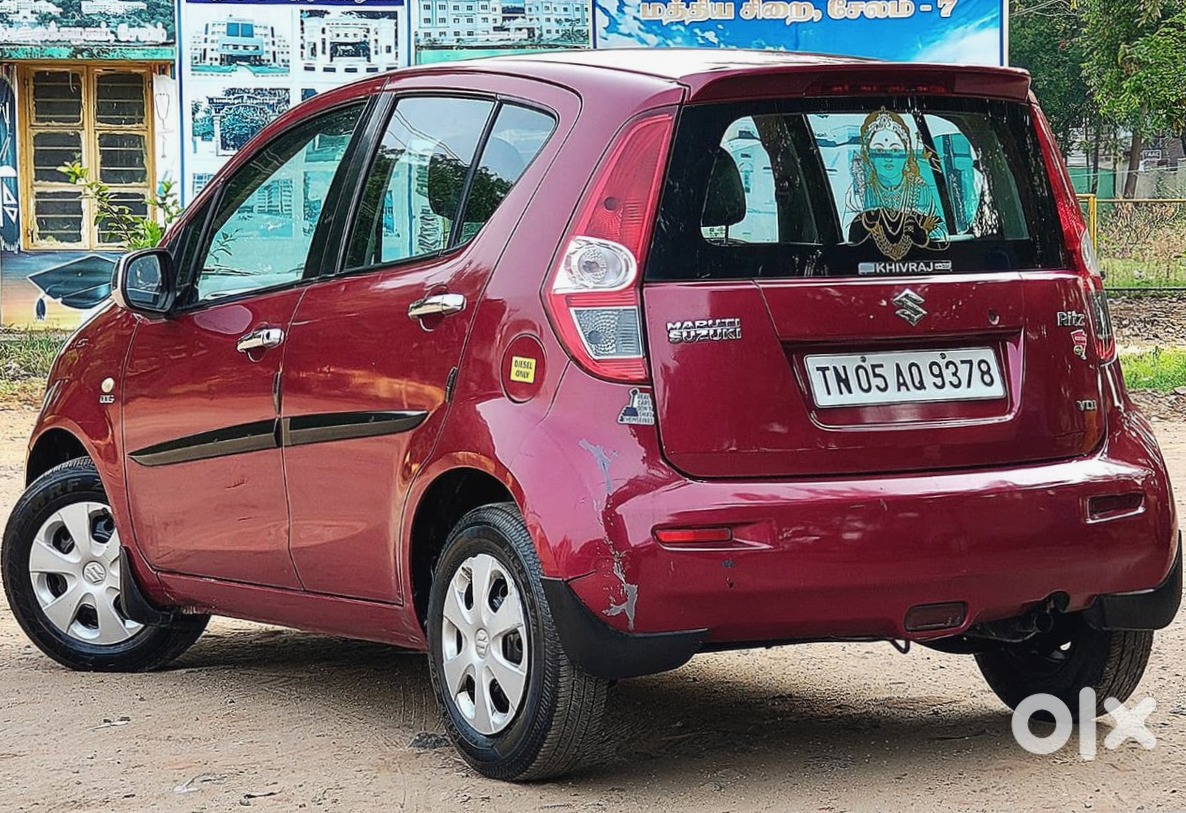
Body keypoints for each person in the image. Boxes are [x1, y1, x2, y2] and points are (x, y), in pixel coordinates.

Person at [846, 108, 948, 260]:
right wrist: (863, 224)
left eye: (895, 149)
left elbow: (944, 235)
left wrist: (922, 235)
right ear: (869, 156)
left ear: (906, 154)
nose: (888, 157)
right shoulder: (858, 192)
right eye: (879, 150)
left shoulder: (920, 189)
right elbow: (842, 237)